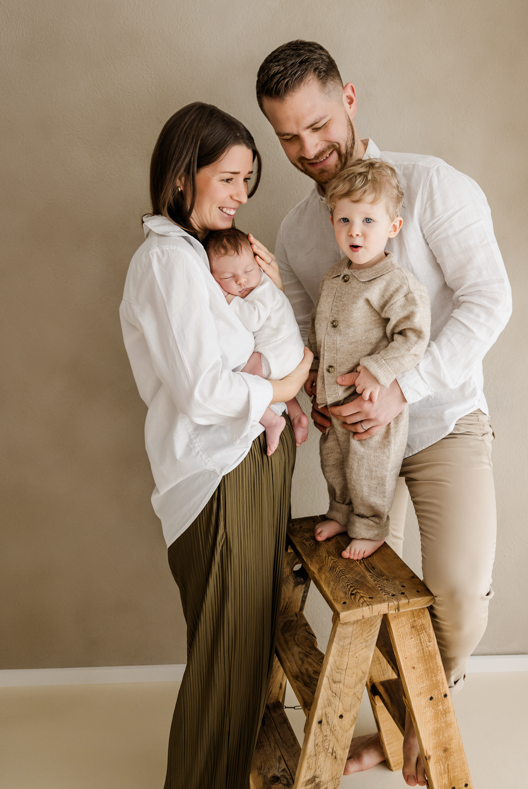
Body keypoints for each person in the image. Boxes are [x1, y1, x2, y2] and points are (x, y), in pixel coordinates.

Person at [254, 40, 512, 787]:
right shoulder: (298, 232)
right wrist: (307, 399)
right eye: (288, 137)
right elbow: (302, 338)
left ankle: (419, 720)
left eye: (319, 125)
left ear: (351, 100)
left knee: (459, 598)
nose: (309, 148)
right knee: (365, 602)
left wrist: (404, 385)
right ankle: (402, 731)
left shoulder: (434, 187)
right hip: (357, 445)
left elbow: (490, 300)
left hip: (441, 425)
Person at [120, 102, 312, 789]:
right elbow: (205, 391)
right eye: (228, 178)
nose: (241, 196)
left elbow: (255, 344)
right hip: (217, 474)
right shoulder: (167, 263)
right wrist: (288, 383)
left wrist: (273, 297)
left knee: (244, 656)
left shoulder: (208, 261)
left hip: (248, 465)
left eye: (248, 181)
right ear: (182, 176)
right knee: (225, 659)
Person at [306, 159, 430, 559]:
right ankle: (340, 512)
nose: (354, 230)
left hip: (373, 404)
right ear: (332, 223)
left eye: (367, 220)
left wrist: (379, 371)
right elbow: (319, 327)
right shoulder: (331, 277)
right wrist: (312, 371)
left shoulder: (396, 284)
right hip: (333, 402)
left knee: (369, 469)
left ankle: (372, 526)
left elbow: (413, 337)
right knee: (335, 463)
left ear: (392, 227)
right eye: (344, 219)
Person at [205, 226, 309, 455]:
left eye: (249, 270)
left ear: (259, 264)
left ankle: (272, 420)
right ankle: (297, 414)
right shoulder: (254, 284)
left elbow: (252, 321)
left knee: (245, 383)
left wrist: (230, 299)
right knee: (275, 384)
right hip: (285, 355)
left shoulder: (263, 289)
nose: (242, 281)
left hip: (279, 351)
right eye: (228, 277)